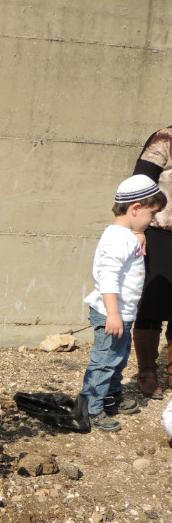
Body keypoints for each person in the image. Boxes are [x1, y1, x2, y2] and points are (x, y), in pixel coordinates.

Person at [80, 175, 166, 432]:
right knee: (105, 359)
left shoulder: (127, 234)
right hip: (111, 314)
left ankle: (110, 396)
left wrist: (138, 234)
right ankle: (92, 408)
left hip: (122, 314)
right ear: (135, 209)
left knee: (118, 356)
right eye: (152, 214)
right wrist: (113, 313)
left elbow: (133, 240)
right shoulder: (117, 238)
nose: (153, 221)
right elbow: (108, 276)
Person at [133, 127, 172, 399]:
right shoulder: (165, 139)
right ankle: (147, 370)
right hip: (160, 232)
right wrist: (138, 229)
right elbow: (140, 183)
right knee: (151, 302)